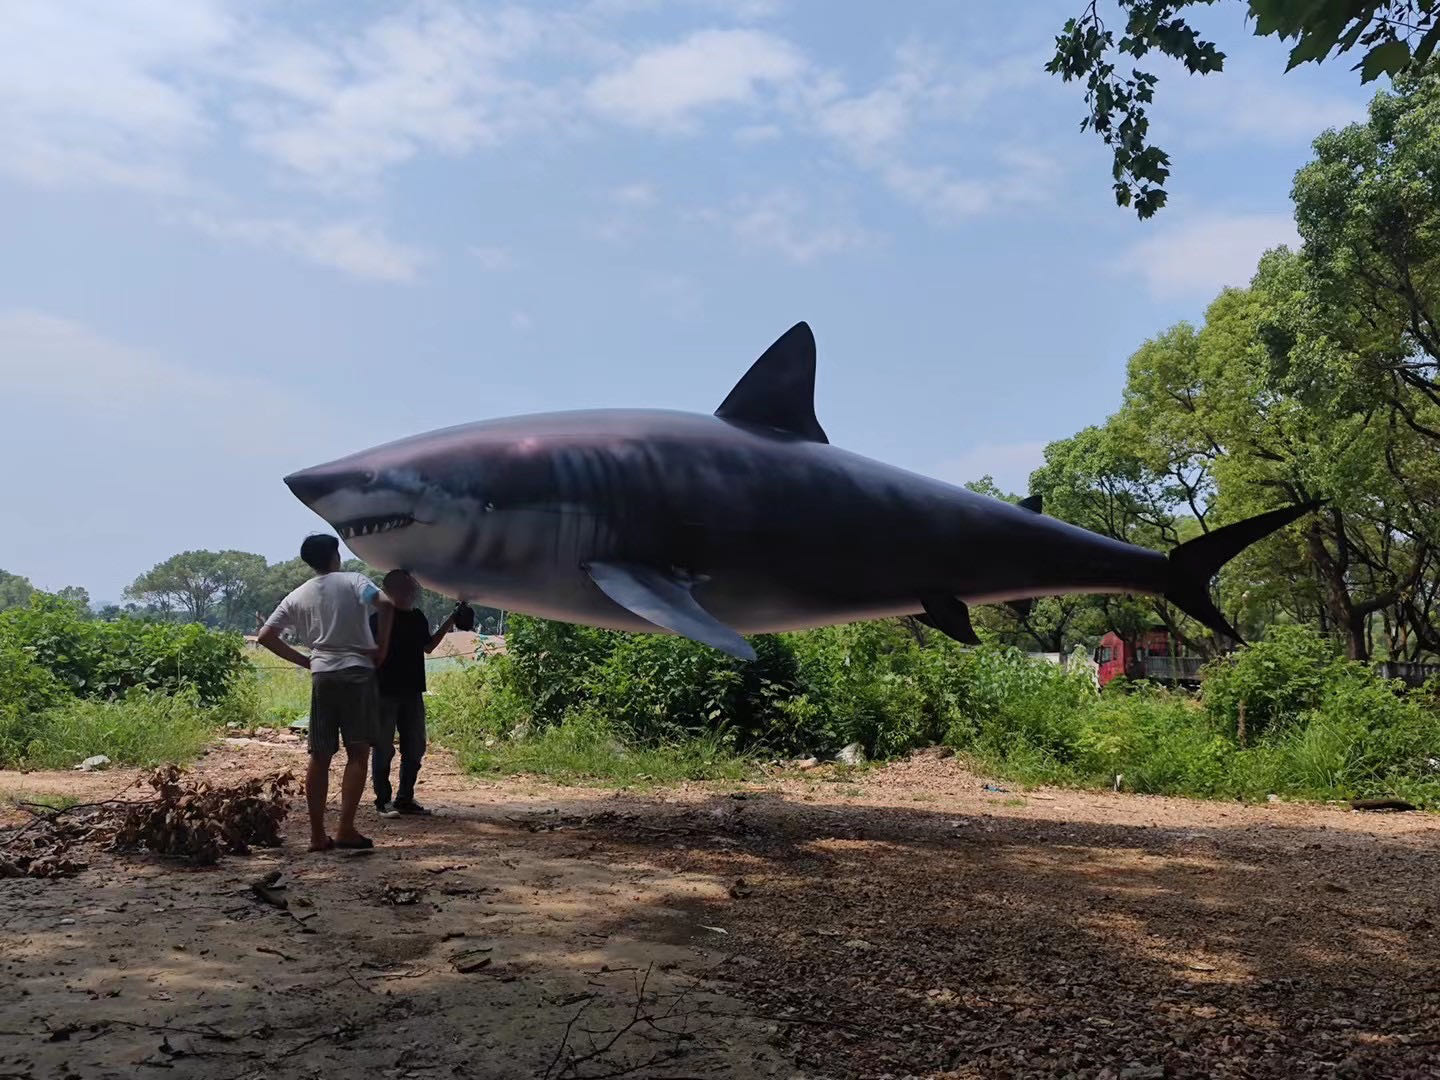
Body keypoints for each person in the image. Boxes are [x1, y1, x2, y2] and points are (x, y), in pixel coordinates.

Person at [256, 535, 395, 852]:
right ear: (335, 556)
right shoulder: (355, 581)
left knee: (320, 756)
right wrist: (381, 648)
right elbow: (385, 604)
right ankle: (346, 828)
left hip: (323, 675)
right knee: (358, 752)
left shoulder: (297, 595)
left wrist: (306, 661)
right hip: (358, 672)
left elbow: (266, 635)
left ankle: (318, 835)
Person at [370, 570, 459, 817]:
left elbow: (428, 646)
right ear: (391, 590)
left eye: (412, 587)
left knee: (415, 747)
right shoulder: (378, 618)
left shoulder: (418, 617)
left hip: (411, 692)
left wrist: (452, 618)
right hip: (384, 691)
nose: (412, 592)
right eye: (406, 587)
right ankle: (383, 801)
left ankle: (405, 799)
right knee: (383, 747)